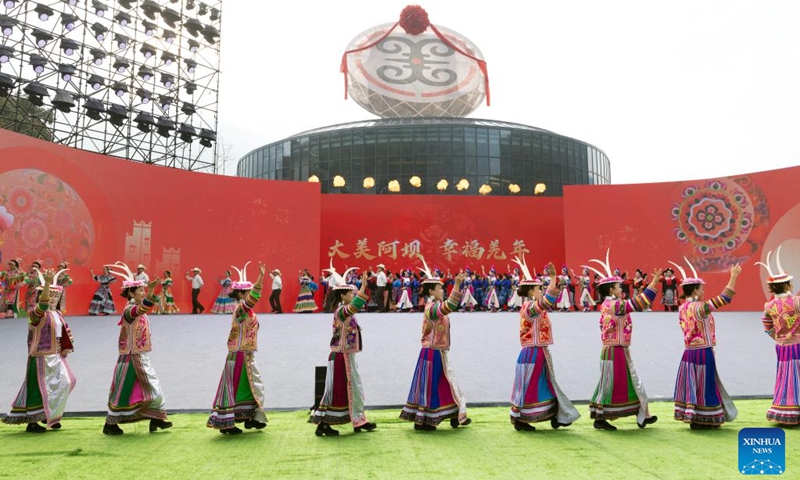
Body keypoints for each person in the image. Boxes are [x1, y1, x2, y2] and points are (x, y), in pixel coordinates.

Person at [584, 249, 660, 431]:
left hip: (616, 349)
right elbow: (640, 303)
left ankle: (642, 415)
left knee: (624, 382)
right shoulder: (616, 305)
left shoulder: (607, 305)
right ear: (611, 289)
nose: (621, 289)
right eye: (619, 287)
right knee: (612, 384)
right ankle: (603, 417)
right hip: (614, 350)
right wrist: (655, 282)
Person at [509, 259, 580, 431]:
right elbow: (547, 301)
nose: (541, 291)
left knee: (544, 383)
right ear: (532, 292)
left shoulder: (531, 307)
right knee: (533, 385)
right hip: (533, 353)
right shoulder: (530, 308)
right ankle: (525, 418)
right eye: (539, 288)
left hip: (536, 351)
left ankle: (555, 415)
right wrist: (554, 278)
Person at [400, 255, 469, 431]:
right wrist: (458, 286)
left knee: (444, 383)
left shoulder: (435, 308)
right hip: (431, 352)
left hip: (437, 352)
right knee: (432, 387)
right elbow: (450, 306)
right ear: (431, 292)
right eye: (440, 288)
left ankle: (452, 415)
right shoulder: (432, 309)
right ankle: (424, 420)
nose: (442, 291)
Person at [102, 262, 172, 435]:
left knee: (134, 390)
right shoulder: (130, 310)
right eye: (140, 290)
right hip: (132, 357)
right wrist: (151, 291)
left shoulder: (135, 310)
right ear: (131, 293)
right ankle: (111, 424)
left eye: (143, 290)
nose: (142, 292)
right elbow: (144, 308)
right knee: (128, 391)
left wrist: (149, 292)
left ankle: (156, 419)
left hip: (138, 355)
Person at [670, 258, 740, 429]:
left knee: (694, 384)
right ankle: (706, 418)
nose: (704, 290)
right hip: (702, 352)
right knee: (706, 383)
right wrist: (734, 276)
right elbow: (724, 298)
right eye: (701, 288)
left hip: (689, 352)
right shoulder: (700, 307)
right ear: (695, 290)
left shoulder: (682, 308)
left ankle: (694, 415)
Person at [3, 268, 76, 432]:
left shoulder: (57, 314)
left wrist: (66, 347)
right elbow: (42, 305)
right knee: (37, 388)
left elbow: (65, 331)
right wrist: (48, 283)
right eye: (50, 295)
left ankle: (50, 414)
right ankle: (33, 421)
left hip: (56, 354)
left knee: (67, 381)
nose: (52, 298)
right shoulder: (36, 313)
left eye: (55, 295)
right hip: (40, 356)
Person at [312, 270, 376, 436]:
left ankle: (359, 419)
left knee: (354, 387)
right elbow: (356, 305)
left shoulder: (346, 312)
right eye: (350, 293)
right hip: (340, 356)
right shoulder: (342, 311)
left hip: (347, 355)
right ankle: (324, 423)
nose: (353, 295)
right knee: (338, 391)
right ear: (343, 296)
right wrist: (363, 288)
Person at [207, 262, 269, 434]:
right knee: (237, 387)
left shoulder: (246, 311)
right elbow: (253, 299)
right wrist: (261, 279)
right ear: (242, 293)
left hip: (245, 354)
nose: (250, 295)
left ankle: (250, 418)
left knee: (251, 386)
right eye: (248, 292)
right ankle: (228, 422)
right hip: (239, 354)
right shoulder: (241, 308)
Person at [758, 247, 800, 426]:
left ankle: (784, 408)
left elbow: (767, 326)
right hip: (798, 344)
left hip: (782, 346)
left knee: (785, 375)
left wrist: (779, 337)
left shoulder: (770, 305)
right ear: (788, 286)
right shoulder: (797, 301)